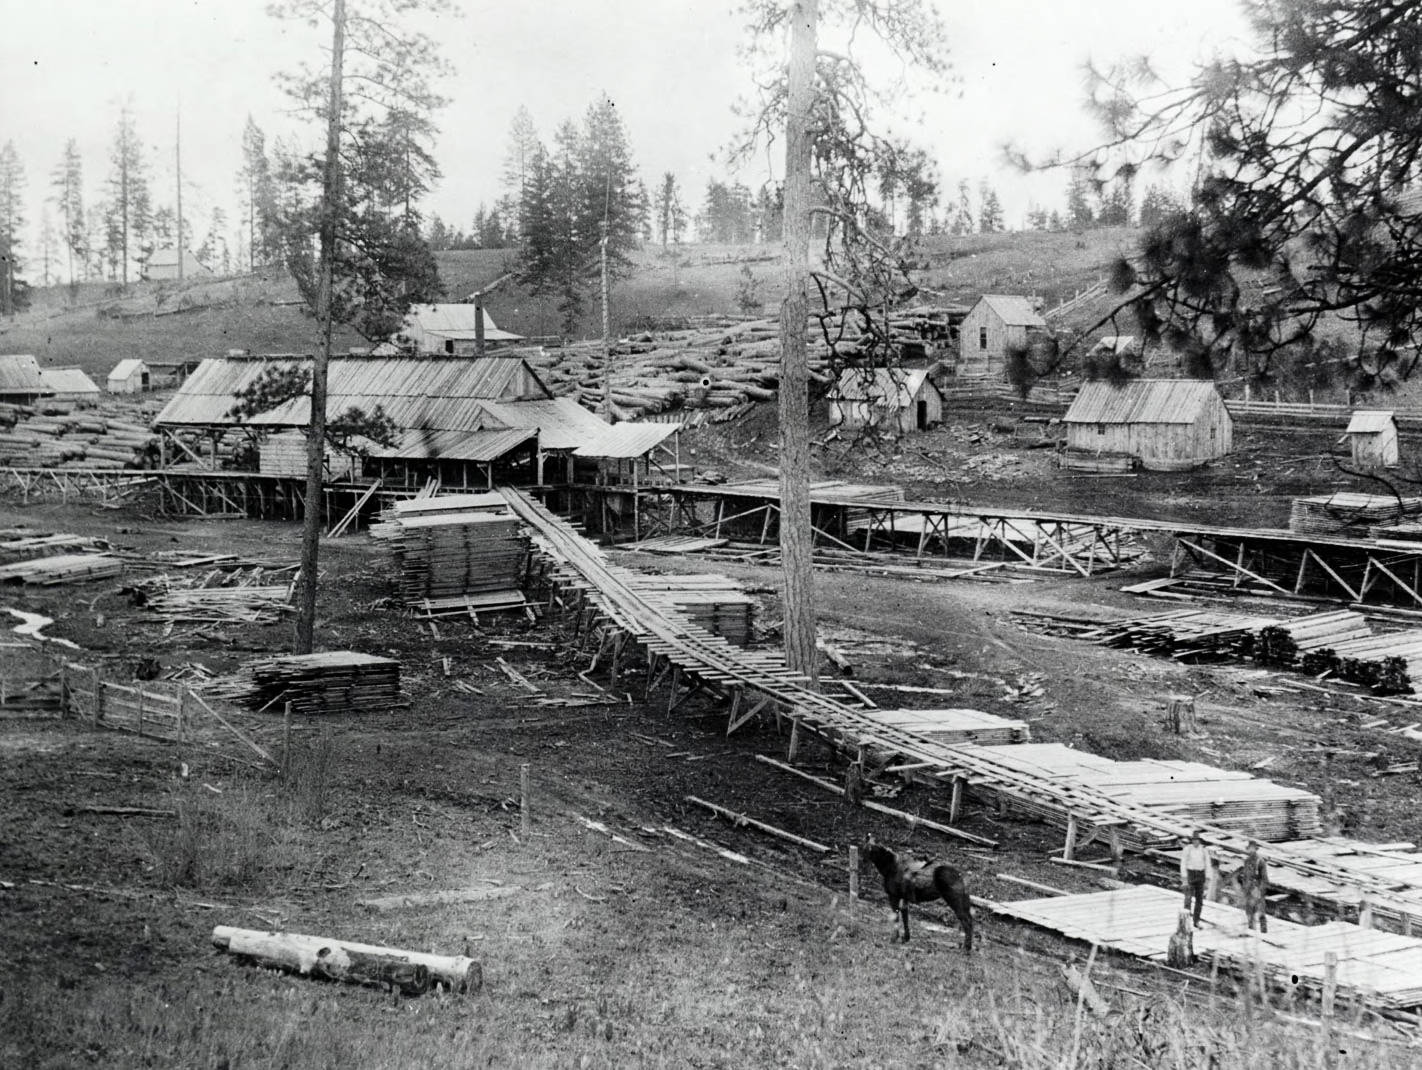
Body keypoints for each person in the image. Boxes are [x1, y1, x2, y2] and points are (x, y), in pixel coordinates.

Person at [1180, 830, 1212, 928]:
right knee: (1188, 899)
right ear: (1192, 840)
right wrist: (1184, 879)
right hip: (1190, 875)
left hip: (1200, 876)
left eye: (1197, 840)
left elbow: (1208, 865)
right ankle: (1185, 922)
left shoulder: (1204, 850)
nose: (1195, 842)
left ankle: (1196, 921)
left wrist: (1207, 879)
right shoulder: (1187, 849)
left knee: (1199, 900)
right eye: (1194, 840)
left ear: (1200, 840)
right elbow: (1183, 864)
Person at [1239, 839, 1269, 933]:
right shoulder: (1247, 861)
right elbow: (1245, 876)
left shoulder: (1260, 861)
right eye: (1250, 849)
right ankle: (1251, 931)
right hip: (1248, 890)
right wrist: (1244, 888)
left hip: (1257, 890)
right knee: (1249, 911)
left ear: (1256, 849)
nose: (1251, 850)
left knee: (1261, 912)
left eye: (1253, 848)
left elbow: (1265, 879)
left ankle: (1264, 932)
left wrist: (1260, 890)